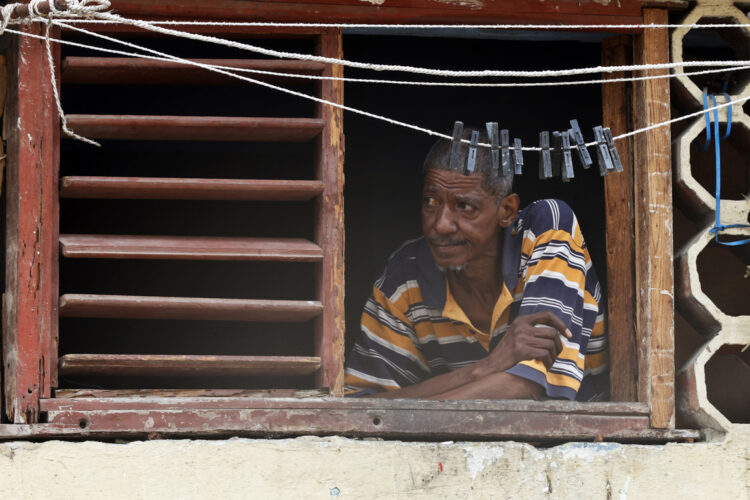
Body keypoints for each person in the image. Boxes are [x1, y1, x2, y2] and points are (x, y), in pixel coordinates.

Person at [344, 127, 609, 401]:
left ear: (506, 211)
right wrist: (485, 368)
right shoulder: (404, 276)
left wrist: (411, 409)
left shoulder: (546, 230)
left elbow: (529, 391)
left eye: (465, 207)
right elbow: (360, 408)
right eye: (431, 202)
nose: (440, 224)